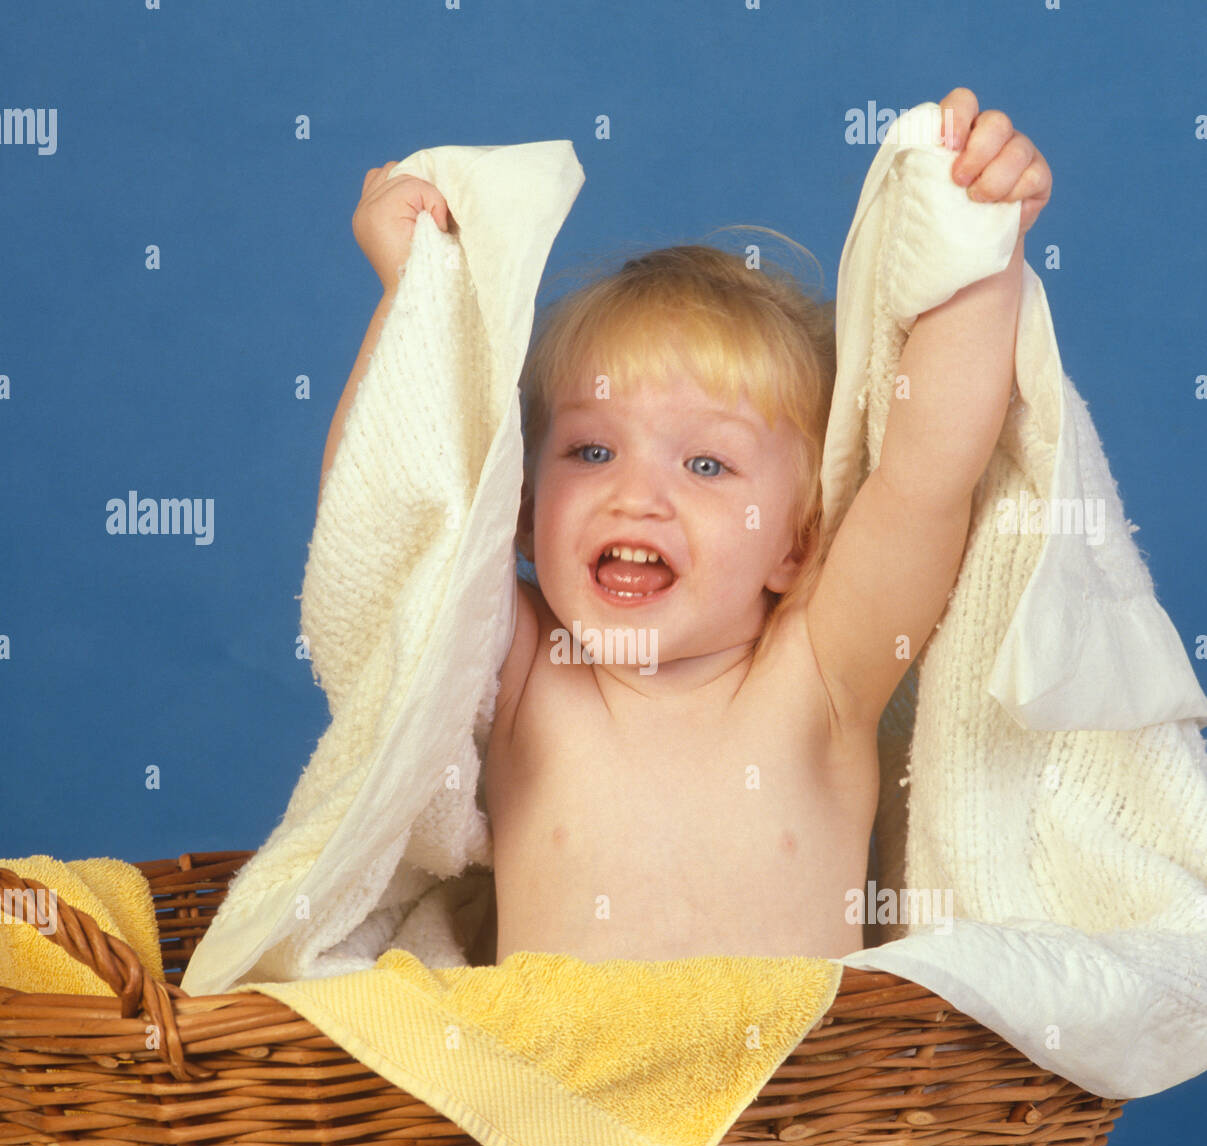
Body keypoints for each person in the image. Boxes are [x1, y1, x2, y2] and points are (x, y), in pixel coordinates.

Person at [320, 86, 1052, 966]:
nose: (635, 497)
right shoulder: (524, 679)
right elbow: (388, 529)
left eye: (705, 466)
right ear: (515, 514)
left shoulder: (819, 674)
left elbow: (928, 476)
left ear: (795, 543)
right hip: (556, 1099)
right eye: (591, 452)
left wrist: (977, 232)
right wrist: (412, 295)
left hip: (791, 1102)